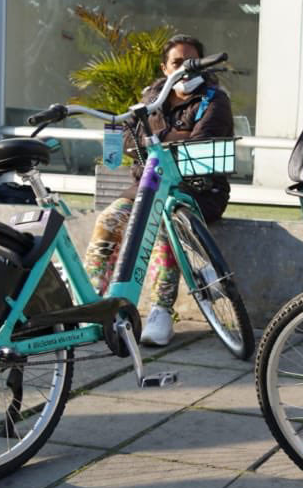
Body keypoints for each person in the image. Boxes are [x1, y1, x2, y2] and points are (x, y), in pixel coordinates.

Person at [82, 33, 234, 346]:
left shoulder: (214, 99)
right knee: (109, 221)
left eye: (192, 62)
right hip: (147, 186)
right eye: (177, 62)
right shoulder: (150, 98)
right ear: (165, 68)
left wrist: (153, 143)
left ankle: (161, 312)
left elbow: (199, 145)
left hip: (198, 191)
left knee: (164, 228)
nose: (185, 69)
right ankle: (95, 302)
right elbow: (126, 138)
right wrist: (167, 140)